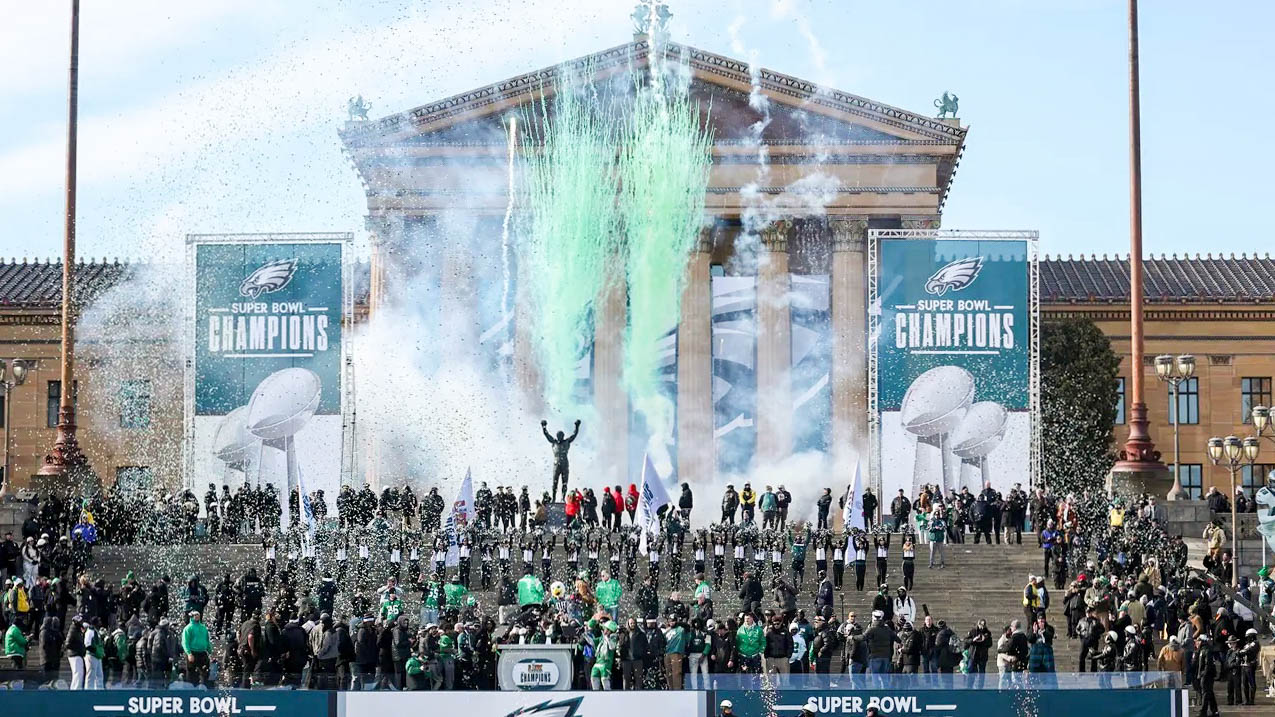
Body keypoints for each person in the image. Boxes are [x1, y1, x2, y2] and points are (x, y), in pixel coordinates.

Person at [541, 419, 581, 501]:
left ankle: (562, 498)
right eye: (558, 436)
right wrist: (544, 427)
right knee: (554, 482)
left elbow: (574, 435)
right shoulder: (554, 442)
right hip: (556, 464)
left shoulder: (566, 442)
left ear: (563, 436)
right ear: (557, 436)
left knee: (564, 482)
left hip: (564, 464)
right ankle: (554, 498)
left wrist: (577, 426)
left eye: (561, 436)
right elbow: (546, 434)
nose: (560, 437)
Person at [182, 610, 212, 687]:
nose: (197, 616)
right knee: (192, 673)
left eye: (198, 615)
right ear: (191, 617)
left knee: (205, 672)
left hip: (202, 652)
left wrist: (210, 650)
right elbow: (185, 642)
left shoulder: (203, 628)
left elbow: (207, 640)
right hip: (192, 652)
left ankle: (205, 687)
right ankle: (191, 688)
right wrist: (189, 653)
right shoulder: (188, 628)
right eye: (195, 615)